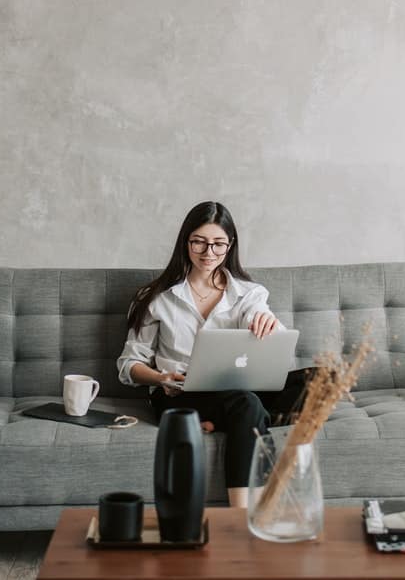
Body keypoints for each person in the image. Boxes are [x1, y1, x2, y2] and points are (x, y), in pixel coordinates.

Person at [116, 200, 303, 508]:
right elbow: (128, 364)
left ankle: (229, 420)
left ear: (230, 246)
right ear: (185, 242)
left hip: (235, 389)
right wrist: (160, 377)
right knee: (246, 403)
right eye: (199, 243)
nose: (208, 253)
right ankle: (242, 514)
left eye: (218, 244)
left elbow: (263, 323)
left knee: (321, 379)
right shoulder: (156, 297)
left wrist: (269, 324)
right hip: (178, 392)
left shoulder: (248, 294)